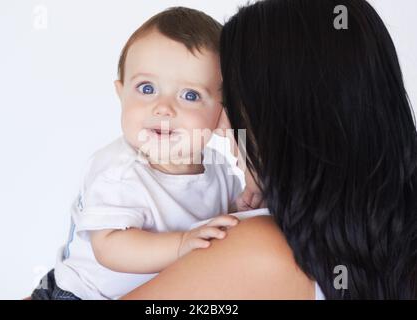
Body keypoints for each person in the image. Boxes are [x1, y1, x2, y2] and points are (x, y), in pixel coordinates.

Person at [120, 0, 417, 299]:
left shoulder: (259, 250)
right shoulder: (393, 247)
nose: (220, 128)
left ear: (281, 121)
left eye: (231, 104)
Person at [31, 7, 261, 300]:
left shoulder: (219, 171)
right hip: (81, 294)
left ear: (221, 111)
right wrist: (180, 245)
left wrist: (242, 208)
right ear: (121, 93)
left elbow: (221, 229)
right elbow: (110, 247)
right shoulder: (118, 170)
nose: (163, 107)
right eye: (147, 88)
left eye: (190, 95)